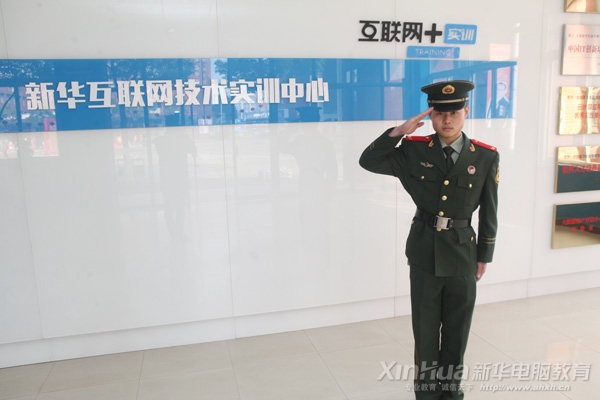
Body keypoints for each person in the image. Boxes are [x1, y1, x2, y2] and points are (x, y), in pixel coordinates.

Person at [359, 80, 499, 399]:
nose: (447, 120)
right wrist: (398, 132)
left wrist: (484, 255)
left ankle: (451, 392)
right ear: (431, 115)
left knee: (457, 332)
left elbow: (490, 210)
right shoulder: (413, 150)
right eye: (440, 113)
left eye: (454, 112)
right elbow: (369, 161)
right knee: (425, 333)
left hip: (463, 254)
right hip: (424, 253)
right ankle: (426, 394)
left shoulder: (486, 156)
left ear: (466, 111)